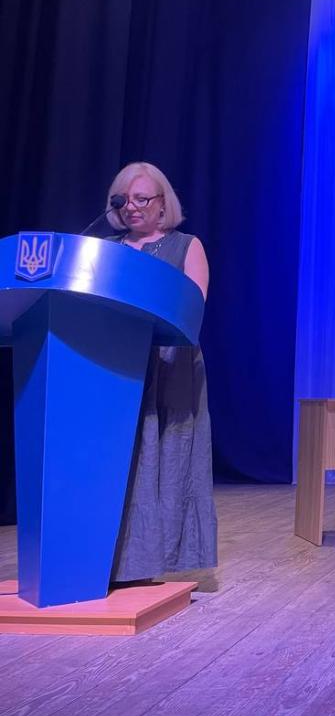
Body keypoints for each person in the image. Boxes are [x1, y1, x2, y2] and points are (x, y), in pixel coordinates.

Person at [105, 162, 217, 583]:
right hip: (117, 365)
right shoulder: (106, 249)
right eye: (123, 200)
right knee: (122, 460)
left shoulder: (186, 246)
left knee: (168, 457)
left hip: (171, 364)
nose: (131, 207)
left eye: (141, 198)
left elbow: (192, 307)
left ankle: (157, 560)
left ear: (162, 203)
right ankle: (111, 558)